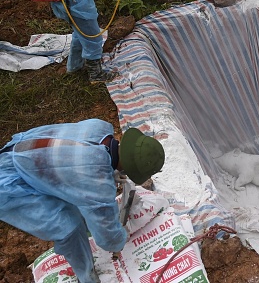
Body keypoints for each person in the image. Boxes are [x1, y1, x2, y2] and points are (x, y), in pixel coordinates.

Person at [0, 119, 165, 283]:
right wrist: (121, 237)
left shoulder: (99, 127)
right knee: (67, 229)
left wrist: (107, 172)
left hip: (19, 154)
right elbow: (108, 240)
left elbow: (77, 159)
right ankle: (87, 277)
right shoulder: (97, 184)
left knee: (76, 203)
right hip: (9, 185)